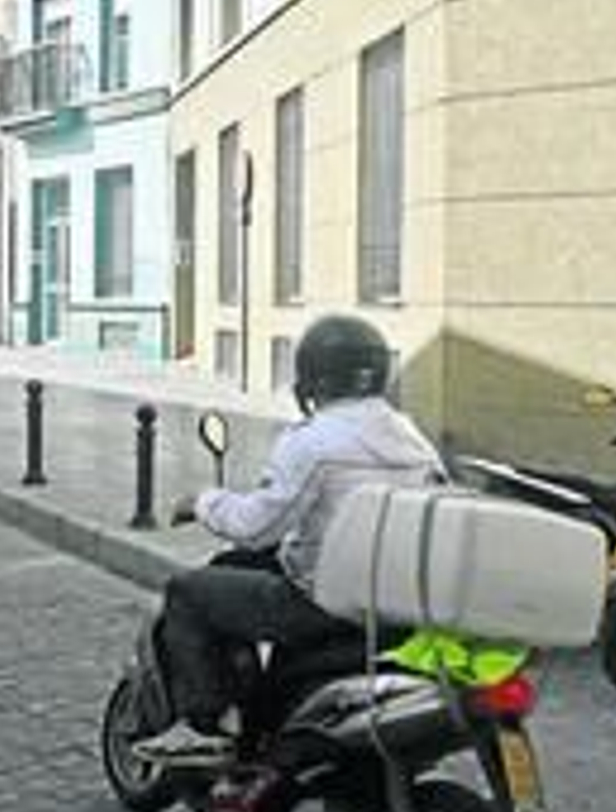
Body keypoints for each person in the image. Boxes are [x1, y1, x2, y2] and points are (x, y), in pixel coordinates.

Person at [133, 314, 447, 768]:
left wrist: (203, 501)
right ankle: (272, 713)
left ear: (312, 376)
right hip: (398, 602)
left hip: (325, 602)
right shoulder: (412, 438)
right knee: (245, 565)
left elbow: (258, 527)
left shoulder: (314, 441)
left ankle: (203, 726)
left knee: (189, 591)